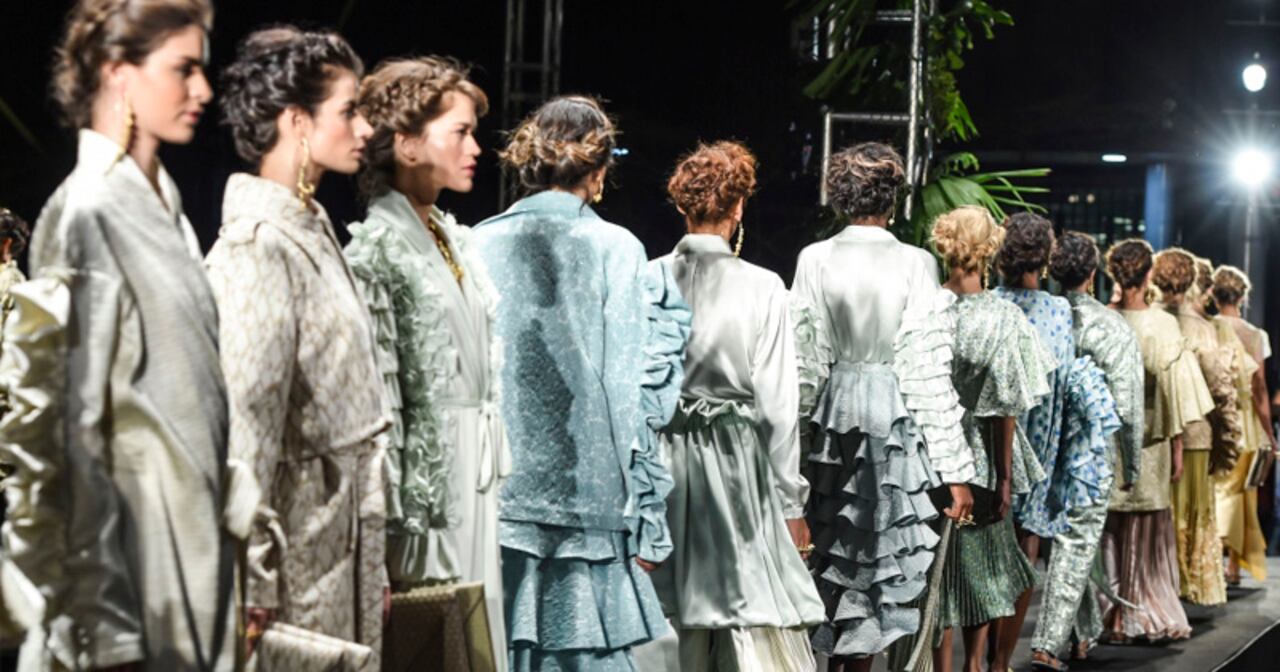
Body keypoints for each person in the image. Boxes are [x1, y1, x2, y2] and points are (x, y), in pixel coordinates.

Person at [0, 0, 240, 668]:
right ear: (118, 73)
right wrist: (107, 628)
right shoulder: (89, 210)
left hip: (184, 556)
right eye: (183, 69)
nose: (203, 90)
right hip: (129, 577)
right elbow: (71, 435)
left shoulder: (165, 207)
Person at [472, 95, 691, 670]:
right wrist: (646, 513)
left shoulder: (477, 241)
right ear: (598, 171)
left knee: (496, 647)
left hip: (494, 487)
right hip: (587, 491)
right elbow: (628, 385)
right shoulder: (617, 248)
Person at [207, 26, 389, 663]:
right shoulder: (258, 245)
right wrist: (252, 571)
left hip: (340, 538)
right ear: (296, 121)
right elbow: (245, 420)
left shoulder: (310, 230)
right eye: (349, 111)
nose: (365, 128)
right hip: (299, 551)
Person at [343, 55, 509, 663]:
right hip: (426, 485)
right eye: (460, 132)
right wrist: (384, 531)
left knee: (475, 635)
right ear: (407, 143)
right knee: (434, 642)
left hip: (475, 471)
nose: (475, 148)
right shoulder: (376, 251)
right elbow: (380, 403)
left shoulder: (452, 238)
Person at [790, 143, 975, 672]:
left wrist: (789, 453)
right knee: (875, 570)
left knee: (831, 561)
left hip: (831, 422)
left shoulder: (815, 258)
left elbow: (803, 364)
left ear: (840, 198)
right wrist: (955, 471)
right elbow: (927, 372)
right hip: (891, 423)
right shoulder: (916, 262)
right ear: (893, 199)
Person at [649, 141, 823, 670]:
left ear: (682, 205)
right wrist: (790, 504)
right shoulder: (764, 287)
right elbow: (777, 408)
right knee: (741, 610)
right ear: (739, 206)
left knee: (667, 609)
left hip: (661, 461)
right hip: (735, 465)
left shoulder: (648, 278)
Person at [927, 205, 1051, 672]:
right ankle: (975, 664)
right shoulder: (1004, 318)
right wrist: (1004, 477)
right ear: (988, 250)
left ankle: (941, 666)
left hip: (930, 450)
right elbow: (1005, 406)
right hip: (979, 455)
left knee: (937, 567)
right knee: (982, 568)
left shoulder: (925, 308)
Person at [1029, 231, 1138, 670]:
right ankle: (1046, 644)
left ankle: (1082, 634)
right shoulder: (1111, 326)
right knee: (1076, 541)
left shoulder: (1039, 316)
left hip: (1040, 444)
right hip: (1089, 450)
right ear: (1093, 274)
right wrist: (1131, 461)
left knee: (1070, 541)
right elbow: (1126, 403)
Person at [1100, 240, 1209, 642]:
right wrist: (1178, 447)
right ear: (1148, 275)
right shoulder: (1163, 325)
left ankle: (1109, 613)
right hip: (1151, 438)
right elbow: (1175, 395)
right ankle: (1139, 610)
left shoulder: (1102, 318)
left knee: (1109, 526)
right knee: (1144, 530)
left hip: (1107, 437)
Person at [989, 213, 1079, 672]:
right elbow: (1064, 381)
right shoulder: (1058, 311)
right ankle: (1001, 661)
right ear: (1044, 258)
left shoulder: (988, 304)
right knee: (1025, 548)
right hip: (1040, 441)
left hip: (990, 441)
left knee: (987, 549)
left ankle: (980, 658)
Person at [1151, 248, 1240, 606]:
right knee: (1193, 511)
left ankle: (1159, 581)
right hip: (1196, 432)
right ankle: (1189, 581)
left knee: (1161, 510)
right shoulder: (1202, 329)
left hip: (1153, 433)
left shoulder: (1148, 319)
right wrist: (1229, 438)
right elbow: (1221, 389)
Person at [1210, 264, 1274, 584]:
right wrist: (1269, 433)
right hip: (1245, 420)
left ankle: (1212, 562)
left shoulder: (1207, 327)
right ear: (1243, 297)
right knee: (1240, 494)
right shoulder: (1255, 335)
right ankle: (1233, 566)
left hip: (1214, 416)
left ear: (1214, 295)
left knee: (1216, 490)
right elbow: (1259, 387)